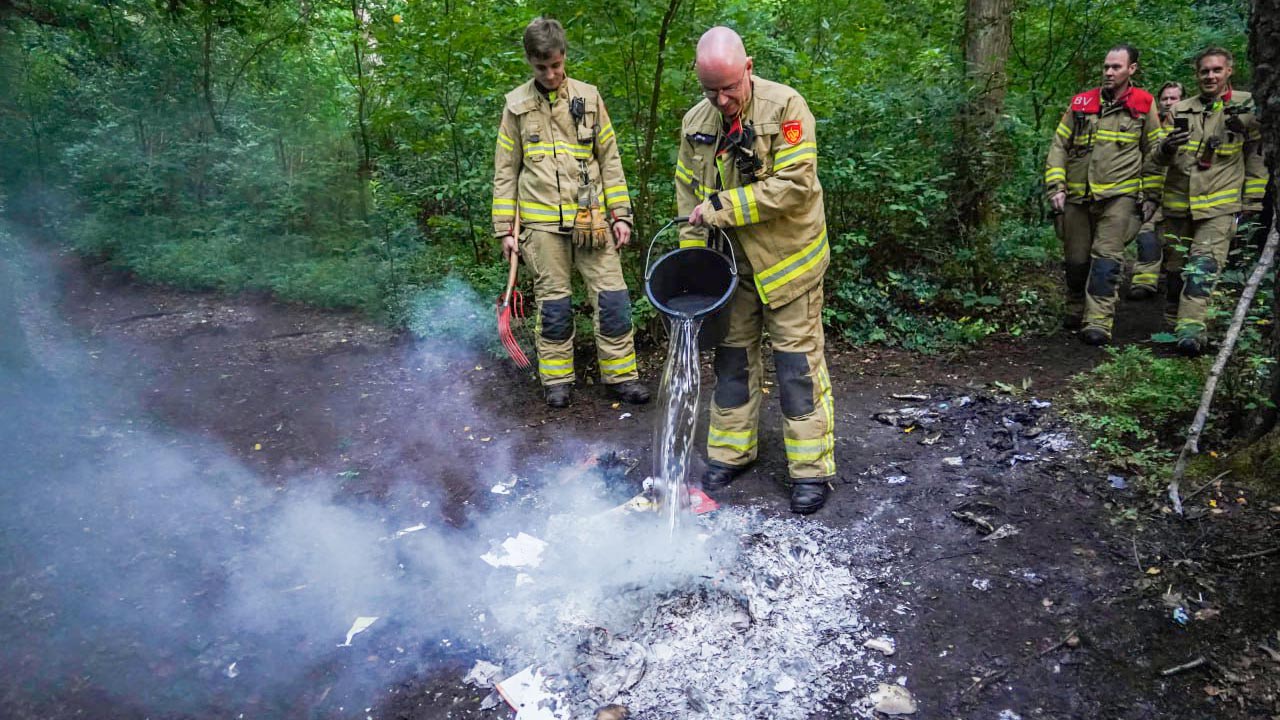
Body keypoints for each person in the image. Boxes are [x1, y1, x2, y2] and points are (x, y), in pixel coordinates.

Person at [675, 27, 834, 514]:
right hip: (731, 272)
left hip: (790, 266)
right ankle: (731, 452)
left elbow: (795, 187)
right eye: (710, 90)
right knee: (732, 363)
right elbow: (687, 198)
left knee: (796, 369)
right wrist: (692, 267)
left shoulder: (787, 108)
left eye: (729, 87)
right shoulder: (694, 123)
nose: (721, 100)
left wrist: (721, 207)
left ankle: (811, 471)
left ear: (748, 67)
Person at [491, 17, 649, 408]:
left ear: (564, 58)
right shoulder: (516, 106)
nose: (550, 74)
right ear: (529, 62)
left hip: (591, 218)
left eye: (556, 65)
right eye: (541, 67)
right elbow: (505, 172)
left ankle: (622, 376)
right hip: (541, 224)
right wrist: (504, 230)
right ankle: (557, 380)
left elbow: (610, 160)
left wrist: (621, 214)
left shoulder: (590, 98)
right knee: (555, 303)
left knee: (612, 297)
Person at [1044, 44, 1164, 345]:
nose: (1109, 72)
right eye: (1106, 66)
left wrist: (1150, 194)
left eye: (1116, 67)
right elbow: (1059, 146)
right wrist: (1056, 186)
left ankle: (1098, 321)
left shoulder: (1144, 104)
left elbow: (1154, 152)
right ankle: (1075, 305)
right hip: (1077, 195)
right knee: (1075, 259)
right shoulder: (1082, 102)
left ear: (1131, 69)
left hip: (1119, 195)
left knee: (1107, 259)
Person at [1157, 47, 1266, 356]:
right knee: (1176, 269)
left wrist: (1253, 201)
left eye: (1216, 70)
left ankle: (1190, 333)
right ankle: (1173, 320)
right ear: (1197, 74)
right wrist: (1166, 147)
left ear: (1228, 71)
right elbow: (1156, 156)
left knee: (1202, 267)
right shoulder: (1179, 109)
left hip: (1220, 206)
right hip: (1179, 204)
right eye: (1205, 70)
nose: (1210, 76)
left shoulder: (1246, 107)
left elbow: (1257, 159)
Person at [1127, 80, 1183, 305]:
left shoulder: (1186, 125)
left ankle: (1172, 285)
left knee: (1173, 241)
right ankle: (1144, 281)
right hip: (1150, 191)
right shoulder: (1150, 125)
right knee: (1147, 235)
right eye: (1165, 98)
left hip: (1179, 193)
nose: (1168, 102)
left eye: (1174, 98)